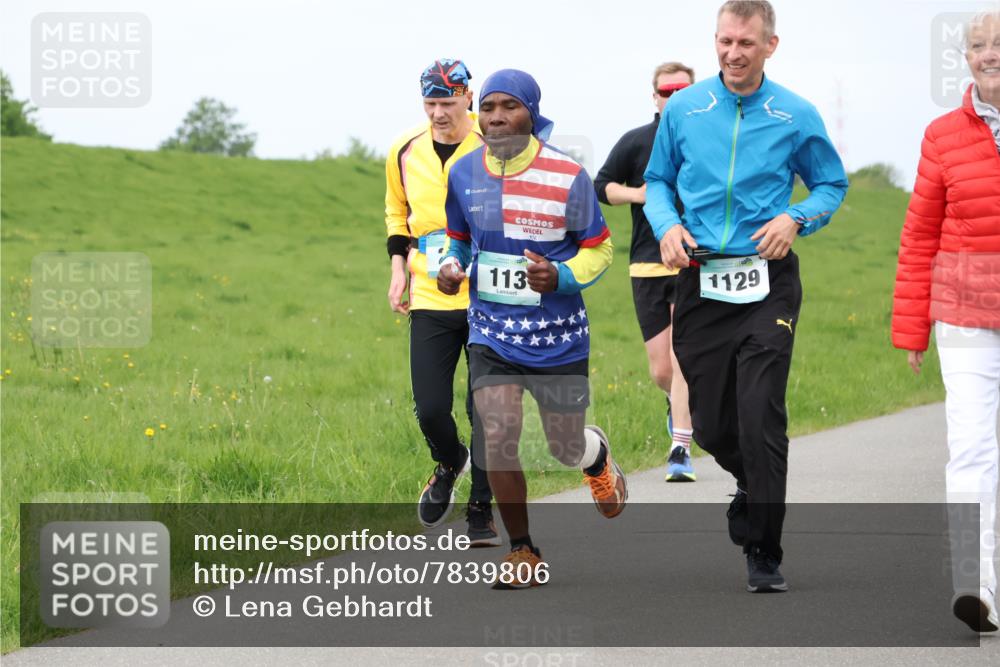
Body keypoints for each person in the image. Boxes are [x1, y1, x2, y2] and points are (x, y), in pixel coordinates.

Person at [643, 0, 848, 593]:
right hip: (702, 280)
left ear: (770, 46)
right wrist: (667, 226)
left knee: (760, 414)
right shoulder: (685, 108)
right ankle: (751, 482)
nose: (733, 53)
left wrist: (796, 218)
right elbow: (657, 181)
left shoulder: (795, 113)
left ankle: (764, 549)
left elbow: (830, 183)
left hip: (767, 283)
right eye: (725, 41)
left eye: (746, 43)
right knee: (709, 425)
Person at [437, 69, 627, 589]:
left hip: (556, 335)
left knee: (564, 447)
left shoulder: (567, 175)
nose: (497, 117)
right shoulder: (463, 172)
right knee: (497, 434)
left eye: (510, 107)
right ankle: (522, 549)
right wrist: (451, 267)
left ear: (531, 113)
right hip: (491, 330)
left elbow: (600, 249)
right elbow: (458, 239)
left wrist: (560, 276)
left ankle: (594, 455)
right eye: (489, 107)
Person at [891, 10, 1000, 632]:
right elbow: (919, 234)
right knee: (971, 446)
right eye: (978, 45)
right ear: (966, 58)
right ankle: (974, 584)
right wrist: (912, 328)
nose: (989, 54)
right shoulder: (942, 135)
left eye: (999, 43)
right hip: (965, 311)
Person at [384, 59, 497, 545]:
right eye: (430, 103)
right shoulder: (404, 149)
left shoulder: (493, 146)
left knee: (485, 408)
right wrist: (397, 270)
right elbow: (397, 211)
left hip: (488, 295)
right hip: (429, 291)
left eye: (447, 103)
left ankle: (480, 510)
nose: (438, 113)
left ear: (468, 97)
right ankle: (451, 461)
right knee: (430, 407)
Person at [594, 61, 698, 482]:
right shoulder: (635, 141)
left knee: (683, 358)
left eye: (682, 91)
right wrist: (638, 194)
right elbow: (601, 186)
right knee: (662, 371)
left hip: (693, 264)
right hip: (646, 264)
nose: (674, 98)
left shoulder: (705, 139)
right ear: (655, 97)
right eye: (667, 92)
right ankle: (676, 405)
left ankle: (680, 449)